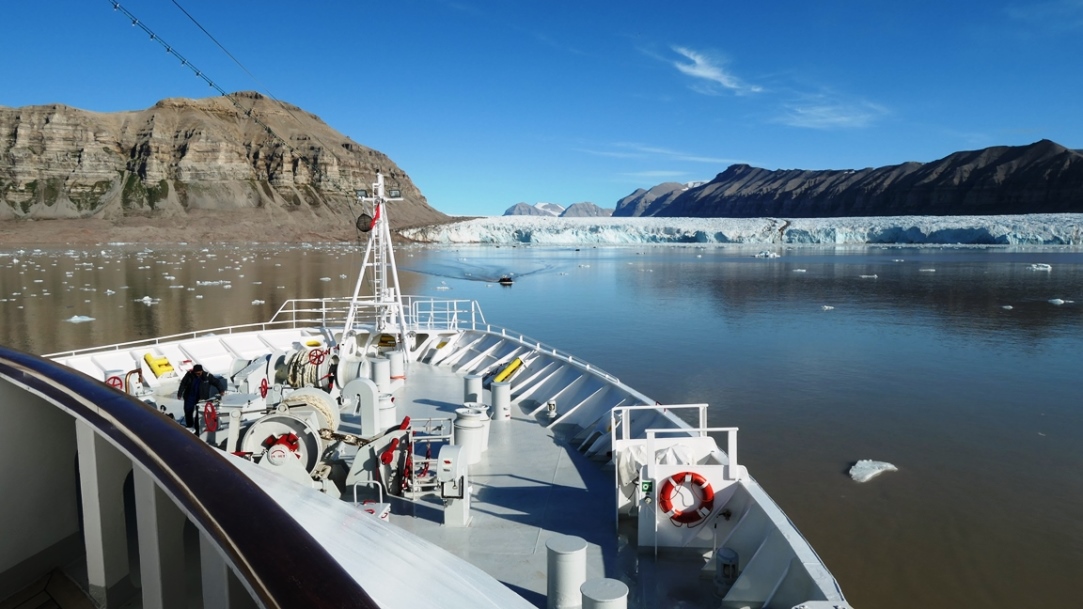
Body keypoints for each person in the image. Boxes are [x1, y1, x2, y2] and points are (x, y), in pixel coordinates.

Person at [176, 364, 226, 431]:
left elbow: (216, 382)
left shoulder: (207, 376)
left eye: (199, 373)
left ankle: (197, 427)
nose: (198, 374)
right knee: (188, 411)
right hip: (190, 397)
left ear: (202, 371)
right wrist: (179, 393)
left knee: (199, 413)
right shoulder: (189, 375)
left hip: (201, 398)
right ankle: (189, 425)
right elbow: (183, 384)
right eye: (196, 373)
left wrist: (221, 390)